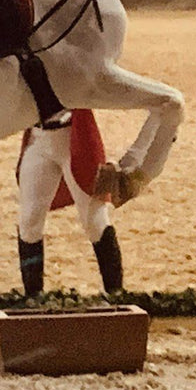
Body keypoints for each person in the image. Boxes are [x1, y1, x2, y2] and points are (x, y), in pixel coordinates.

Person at [16, 109, 121, 296]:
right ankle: (32, 296)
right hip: (38, 138)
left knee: (95, 220)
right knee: (29, 221)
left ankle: (116, 292)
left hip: (74, 137)